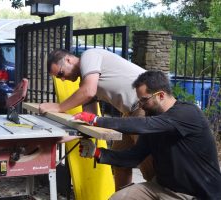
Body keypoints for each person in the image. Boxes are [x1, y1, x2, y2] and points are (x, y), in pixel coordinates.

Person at [73, 70, 221, 200]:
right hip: (159, 187)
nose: (141, 105)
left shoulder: (187, 113)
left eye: (144, 100)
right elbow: (133, 157)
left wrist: (96, 120)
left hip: (192, 194)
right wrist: (97, 153)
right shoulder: (154, 121)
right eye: (139, 100)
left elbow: (142, 124)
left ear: (161, 95)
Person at [39, 48, 154, 189]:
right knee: (119, 161)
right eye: (58, 78)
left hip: (145, 108)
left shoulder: (89, 56)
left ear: (68, 60)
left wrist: (58, 107)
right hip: (129, 113)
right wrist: (64, 136)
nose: (62, 79)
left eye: (61, 73)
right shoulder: (86, 81)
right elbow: (91, 120)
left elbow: (88, 91)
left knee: (151, 167)